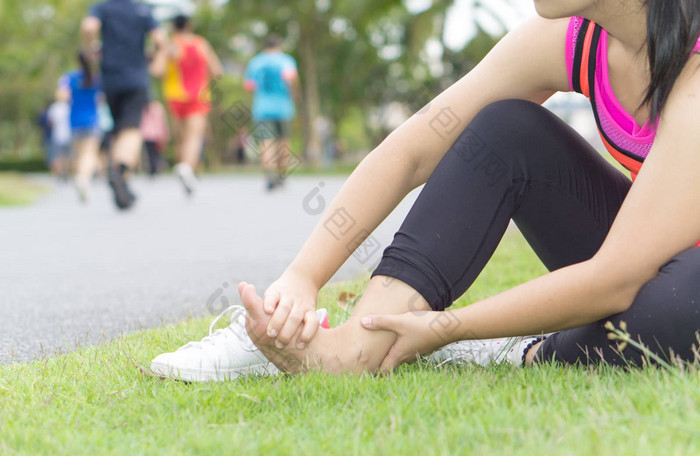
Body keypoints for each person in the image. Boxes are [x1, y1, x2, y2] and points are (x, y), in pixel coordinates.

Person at [153, 0, 700, 380]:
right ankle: (359, 342)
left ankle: (518, 350)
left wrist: (445, 327)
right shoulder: (573, 39)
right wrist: (302, 276)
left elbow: (617, 277)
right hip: (649, 257)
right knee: (504, 130)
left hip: (670, 280)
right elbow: (416, 147)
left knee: (676, 307)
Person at [81, 0, 167, 210]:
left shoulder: (103, 7)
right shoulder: (142, 9)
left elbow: (89, 27)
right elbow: (160, 39)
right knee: (132, 128)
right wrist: (157, 61)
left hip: (110, 79)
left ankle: (124, 186)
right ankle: (119, 171)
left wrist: (89, 51)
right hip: (135, 79)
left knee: (119, 129)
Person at [160, 14, 223, 195]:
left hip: (175, 95)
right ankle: (187, 168)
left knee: (180, 136)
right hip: (198, 95)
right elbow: (217, 71)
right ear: (189, 25)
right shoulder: (200, 43)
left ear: (173, 26)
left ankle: (183, 168)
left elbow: (157, 69)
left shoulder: (171, 44)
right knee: (194, 136)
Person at [243, 34, 299, 191]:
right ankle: (282, 174)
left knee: (266, 142)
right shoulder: (286, 60)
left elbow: (249, 85)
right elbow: (292, 81)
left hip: (262, 108)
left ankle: (269, 174)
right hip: (283, 107)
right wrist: (294, 95)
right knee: (283, 142)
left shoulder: (256, 62)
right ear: (279, 45)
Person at [58, 51, 102, 202]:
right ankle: (83, 178)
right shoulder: (97, 78)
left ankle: (79, 177)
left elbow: (62, 96)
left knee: (78, 153)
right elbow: (102, 99)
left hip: (74, 121)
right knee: (89, 153)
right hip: (92, 120)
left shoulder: (69, 78)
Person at [46, 89, 72, 180]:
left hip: (57, 135)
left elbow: (50, 122)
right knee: (67, 156)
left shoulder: (54, 107)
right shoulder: (69, 107)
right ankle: (66, 172)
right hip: (69, 135)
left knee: (57, 155)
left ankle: (58, 173)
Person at [140, 99, 170, 177]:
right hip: (156, 134)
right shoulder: (158, 107)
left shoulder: (145, 107)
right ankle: (155, 166)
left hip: (147, 134)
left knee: (150, 153)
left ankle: (153, 168)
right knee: (155, 153)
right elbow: (162, 122)